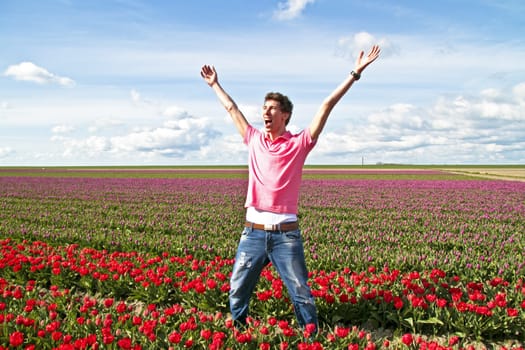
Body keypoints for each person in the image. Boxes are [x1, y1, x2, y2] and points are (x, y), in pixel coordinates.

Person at [200, 45, 380, 333]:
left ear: (285, 115)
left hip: (286, 235)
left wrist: (355, 73)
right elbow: (231, 108)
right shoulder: (254, 139)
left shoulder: (300, 144)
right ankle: (239, 334)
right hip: (253, 232)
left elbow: (327, 105)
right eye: (263, 108)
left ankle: (310, 336)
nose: (265, 112)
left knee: (301, 292)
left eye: (272, 108)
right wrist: (215, 85)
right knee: (237, 289)